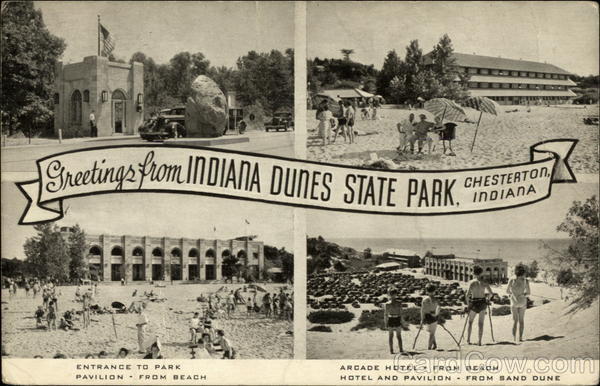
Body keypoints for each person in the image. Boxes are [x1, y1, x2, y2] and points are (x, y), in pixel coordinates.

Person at [465, 266, 494, 346]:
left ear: (474, 273)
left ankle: (468, 340)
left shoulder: (471, 282)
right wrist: (488, 299)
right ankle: (480, 341)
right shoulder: (484, 282)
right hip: (482, 303)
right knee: (481, 323)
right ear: (481, 273)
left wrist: (468, 305)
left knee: (470, 322)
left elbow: (467, 295)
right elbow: (491, 293)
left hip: (474, 303)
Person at [506, 264, 531, 342]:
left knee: (515, 321)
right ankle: (520, 338)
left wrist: (512, 294)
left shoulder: (511, 280)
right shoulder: (525, 281)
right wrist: (523, 294)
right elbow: (528, 293)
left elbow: (507, 291)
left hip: (514, 301)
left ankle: (514, 338)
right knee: (521, 321)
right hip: (522, 301)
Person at [383, 288, 404, 354]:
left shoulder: (387, 304)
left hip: (391, 319)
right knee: (399, 336)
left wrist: (386, 323)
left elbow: (385, 315)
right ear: (396, 294)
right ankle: (401, 349)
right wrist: (402, 322)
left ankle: (391, 350)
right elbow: (401, 314)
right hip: (397, 318)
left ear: (389, 294)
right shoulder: (399, 303)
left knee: (391, 336)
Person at [420, 284, 440, 350]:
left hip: (427, 316)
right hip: (434, 317)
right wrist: (437, 315)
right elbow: (438, 309)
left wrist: (422, 319)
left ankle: (434, 345)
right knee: (432, 332)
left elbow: (422, 310)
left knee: (431, 332)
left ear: (427, 291)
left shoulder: (424, 300)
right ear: (434, 291)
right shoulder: (436, 299)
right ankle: (429, 347)